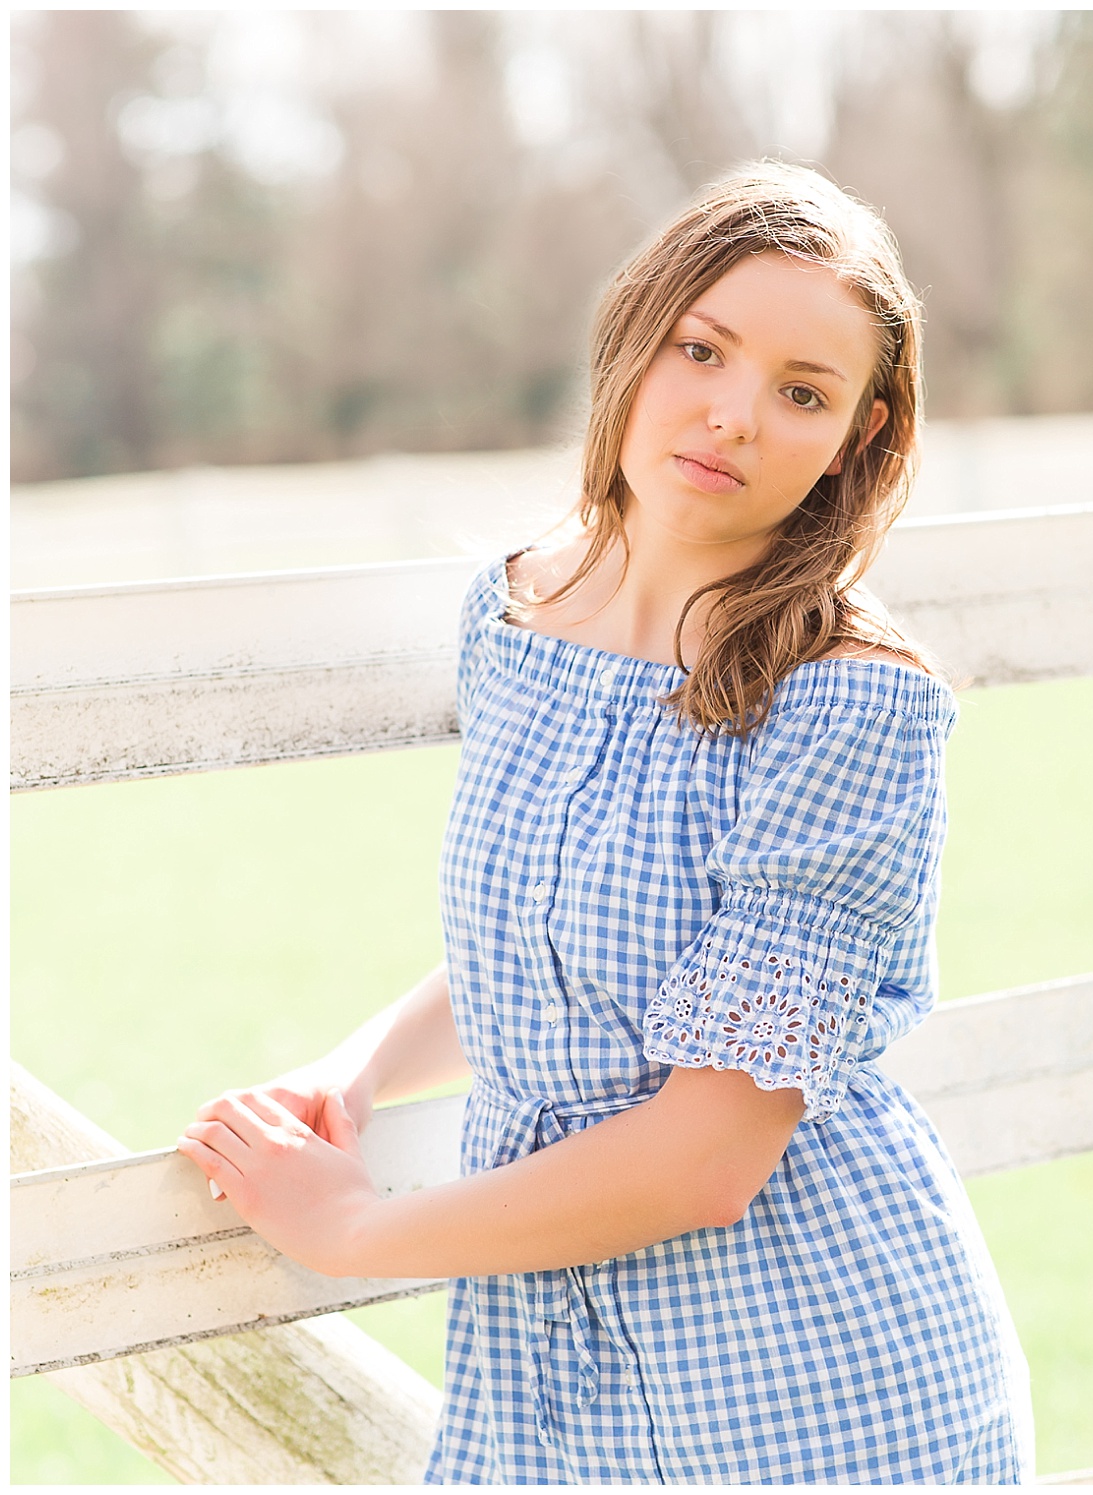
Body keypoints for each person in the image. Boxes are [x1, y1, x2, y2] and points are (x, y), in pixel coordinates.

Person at [179, 162, 1036, 1485]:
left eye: (802, 393)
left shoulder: (851, 705)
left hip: (813, 1385)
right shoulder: (511, 616)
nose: (734, 414)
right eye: (704, 348)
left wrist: (351, 1227)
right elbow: (558, 944)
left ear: (858, 440)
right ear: (639, 334)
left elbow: (705, 1159)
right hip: (552, 1361)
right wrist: (351, 1075)